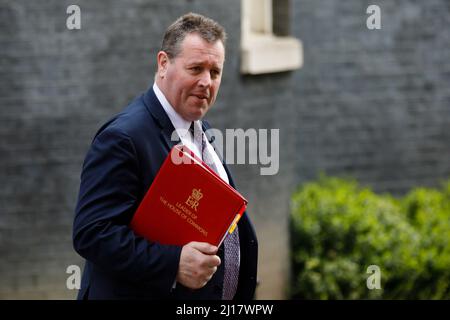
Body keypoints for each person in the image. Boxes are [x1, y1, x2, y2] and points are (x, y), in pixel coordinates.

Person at [73, 12, 258, 300]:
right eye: (195, 68)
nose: (206, 82)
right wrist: (174, 263)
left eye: (215, 72)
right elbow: (92, 233)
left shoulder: (201, 130)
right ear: (163, 63)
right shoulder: (123, 137)